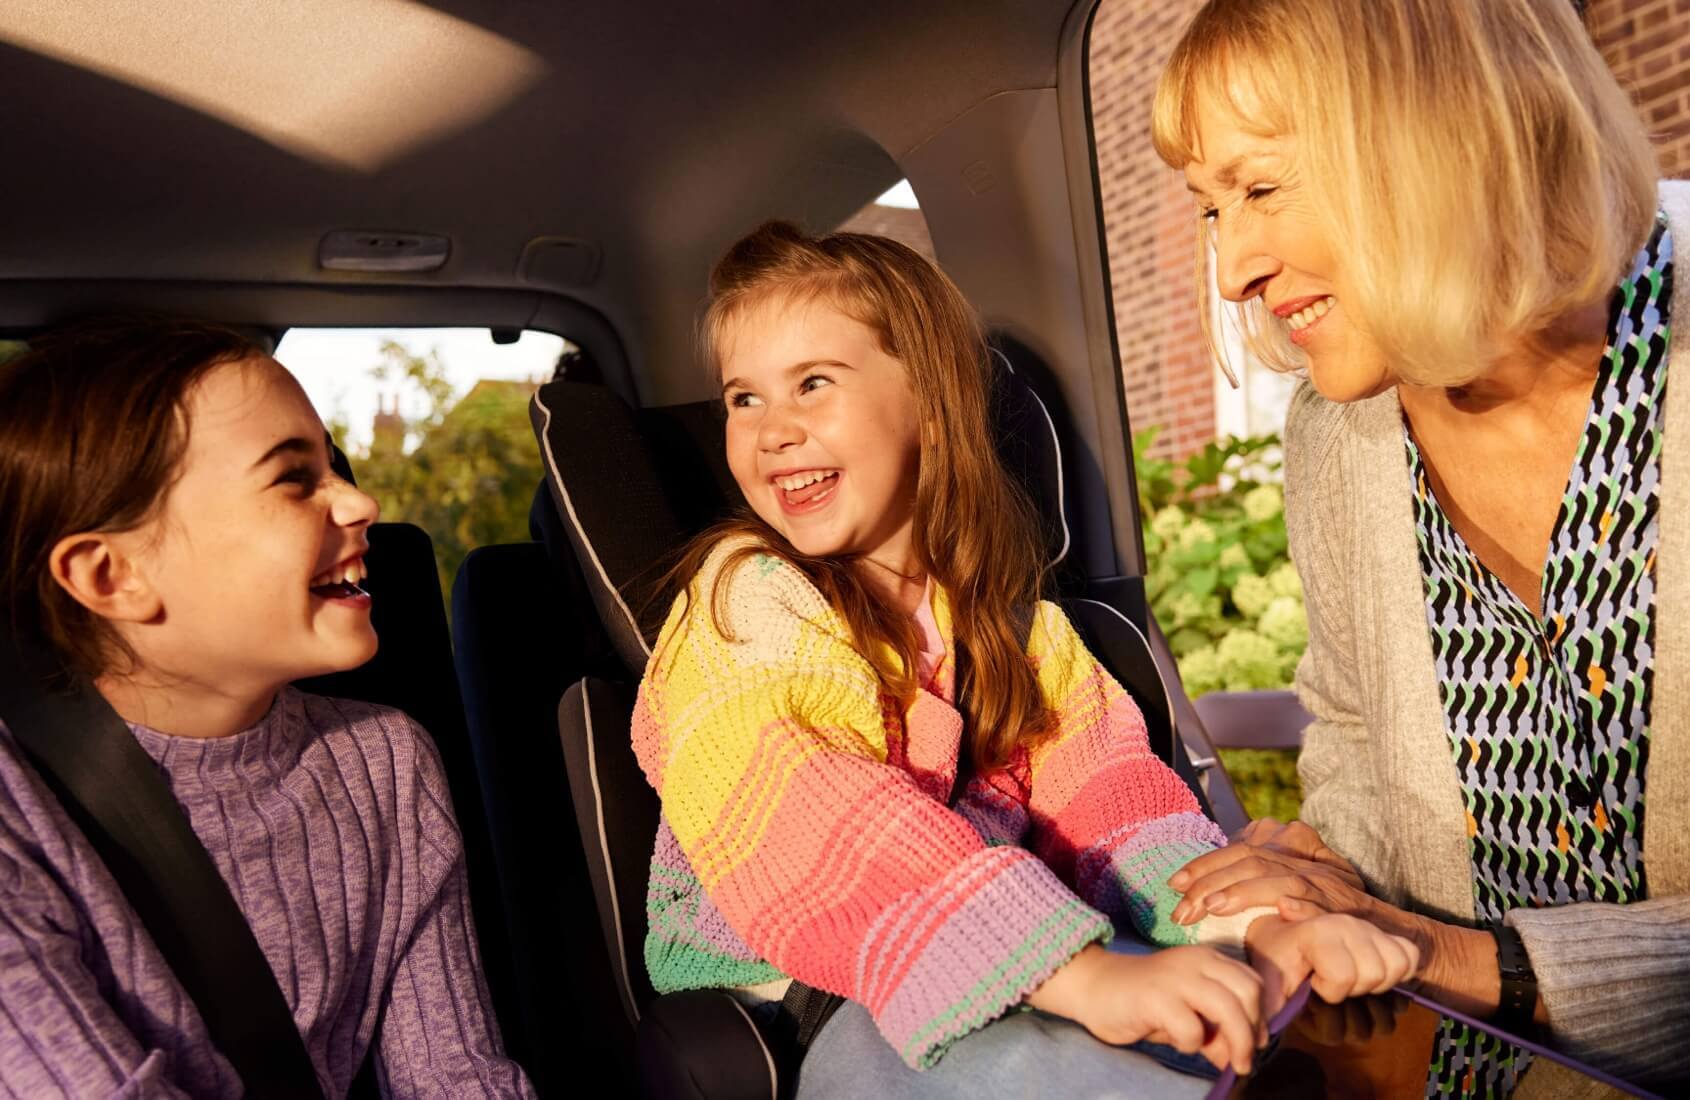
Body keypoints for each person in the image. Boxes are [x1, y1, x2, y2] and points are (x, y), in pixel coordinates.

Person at [631, 222, 1420, 1097]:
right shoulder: (746, 597)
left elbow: (1122, 818)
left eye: (812, 384)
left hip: (1021, 956)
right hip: (815, 992)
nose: (773, 430)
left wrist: (1257, 926)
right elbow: (813, 807)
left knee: (1231, 1030)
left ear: (929, 403)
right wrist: (1083, 977)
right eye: (744, 399)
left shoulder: (1021, 631)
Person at [1149, 0, 1688, 1092]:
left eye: (1259, 186)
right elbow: (1349, 724)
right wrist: (1324, 871)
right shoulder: (1336, 434)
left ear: (1437, 132)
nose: (1232, 268)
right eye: (1214, 209)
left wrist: (1474, 960)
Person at [0, 316, 534, 1097]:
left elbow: (457, 1076)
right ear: (112, 577)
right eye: (293, 479)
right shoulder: (18, 807)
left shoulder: (385, 760)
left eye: (333, 464)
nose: (362, 501)